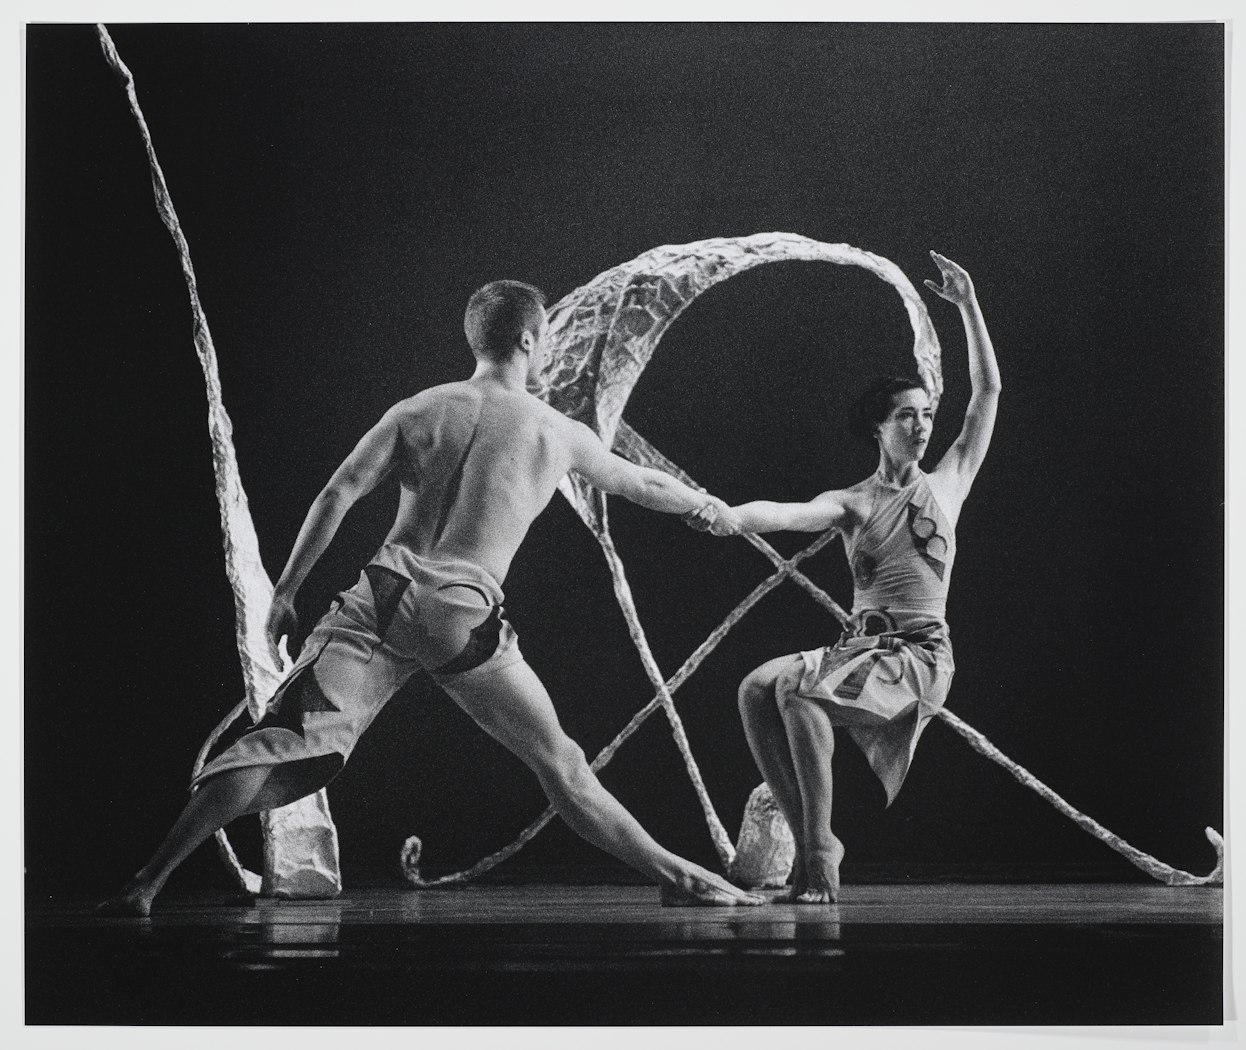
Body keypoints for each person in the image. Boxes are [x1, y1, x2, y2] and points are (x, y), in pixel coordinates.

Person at [100, 279, 763, 915]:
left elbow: (338, 492)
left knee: (275, 740)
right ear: (529, 340)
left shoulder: (417, 409)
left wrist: (287, 591)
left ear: (476, 339)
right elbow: (640, 483)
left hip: (381, 596)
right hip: (461, 612)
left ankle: (146, 882)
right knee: (561, 764)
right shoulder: (555, 431)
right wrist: (706, 506)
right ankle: (681, 877)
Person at [694, 252, 1000, 903]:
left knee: (797, 694)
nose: (922, 425)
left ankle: (817, 853)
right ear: (878, 428)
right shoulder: (853, 503)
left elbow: (987, 396)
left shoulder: (948, 484)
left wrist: (969, 305)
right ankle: (808, 835)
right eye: (906, 415)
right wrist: (729, 517)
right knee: (756, 688)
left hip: (918, 654)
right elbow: (786, 513)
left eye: (926, 414)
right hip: (861, 646)